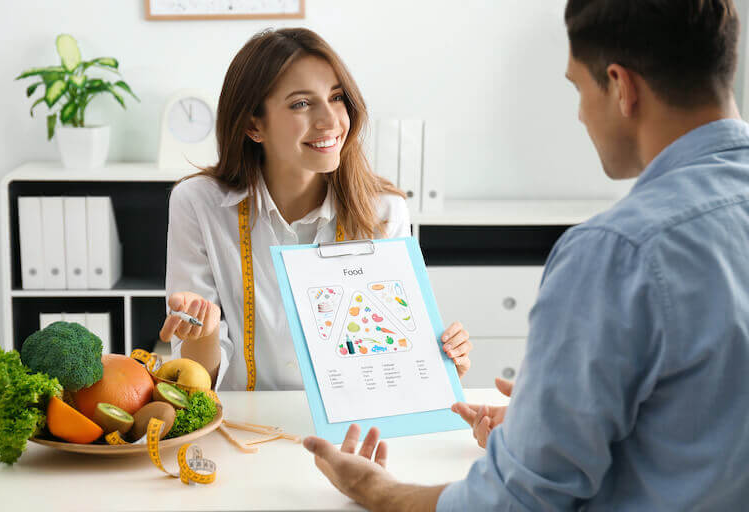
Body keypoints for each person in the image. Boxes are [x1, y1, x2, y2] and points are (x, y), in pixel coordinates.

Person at [303, 1, 749, 509]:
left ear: (622, 87)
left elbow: (517, 502)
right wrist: (551, 430)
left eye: (578, 88)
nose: (581, 113)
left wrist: (372, 488)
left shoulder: (614, 254)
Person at [158, 28, 472, 391]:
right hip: (243, 429)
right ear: (253, 124)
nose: (330, 121)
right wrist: (205, 332)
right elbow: (195, 381)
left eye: (336, 97)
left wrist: (438, 362)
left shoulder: (385, 211)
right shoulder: (197, 203)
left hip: (349, 427)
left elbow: (391, 356)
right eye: (301, 104)